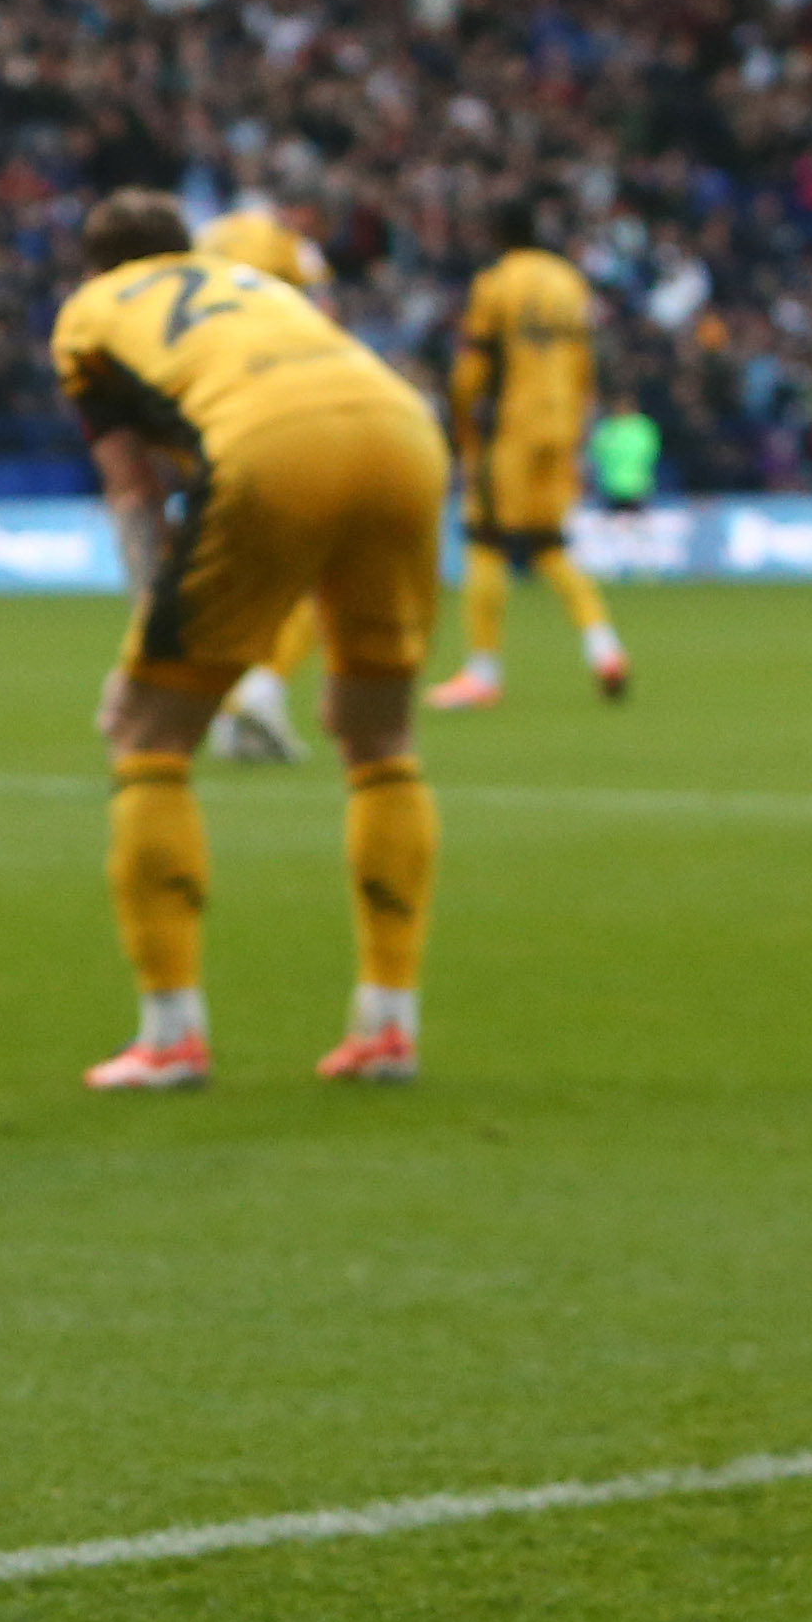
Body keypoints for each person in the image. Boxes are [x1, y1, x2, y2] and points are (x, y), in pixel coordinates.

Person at [56, 192, 447, 1095]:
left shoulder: (89, 316)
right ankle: (389, 1026)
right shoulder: (248, 280)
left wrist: (139, 652)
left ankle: (169, 1037)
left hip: (276, 445)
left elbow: (135, 494)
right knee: (381, 740)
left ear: (94, 265)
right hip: (403, 430)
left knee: (149, 740)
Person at [429, 198, 625, 709]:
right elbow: (586, 364)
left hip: (513, 429)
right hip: (562, 428)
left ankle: (482, 672)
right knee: (549, 546)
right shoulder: (568, 281)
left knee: (485, 541)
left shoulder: (496, 284)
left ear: (496, 234)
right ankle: (604, 646)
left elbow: (474, 366)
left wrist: (461, 420)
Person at [197, 201, 333, 765]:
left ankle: (234, 712)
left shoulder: (203, 244)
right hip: (282, 404)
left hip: (209, 406)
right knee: (327, 566)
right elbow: (320, 312)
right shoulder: (290, 249)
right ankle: (260, 691)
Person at [587, 396, 661, 522]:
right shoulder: (608, 427)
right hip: (614, 487)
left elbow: (595, 453)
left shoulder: (640, 427)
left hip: (634, 487)